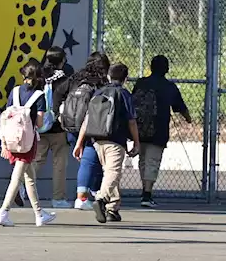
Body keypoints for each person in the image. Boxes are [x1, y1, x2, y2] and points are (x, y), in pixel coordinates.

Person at [0, 60, 57, 227]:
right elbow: (40, 123)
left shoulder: (14, 92)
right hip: (27, 142)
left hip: (11, 139)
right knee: (18, 176)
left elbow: (6, 117)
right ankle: (3, 211)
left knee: (30, 177)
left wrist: (4, 143)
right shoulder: (39, 95)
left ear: (23, 75)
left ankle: (39, 213)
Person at [74, 63, 140, 224]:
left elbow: (87, 119)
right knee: (113, 171)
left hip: (97, 139)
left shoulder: (99, 92)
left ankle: (113, 209)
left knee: (110, 171)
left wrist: (79, 142)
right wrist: (136, 142)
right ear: (125, 78)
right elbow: (131, 121)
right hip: (115, 139)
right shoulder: (123, 94)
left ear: (109, 76)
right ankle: (102, 199)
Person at [130, 55, 192, 208]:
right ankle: (147, 194)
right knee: (152, 161)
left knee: (143, 160)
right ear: (166, 69)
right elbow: (180, 108)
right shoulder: (169, 86)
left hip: (139, 129)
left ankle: (144, 189)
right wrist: (189, 119)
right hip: (158, 130)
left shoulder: (141, 83)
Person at [67, 52, 110, 209]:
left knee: (87, 161)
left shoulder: (76, 78)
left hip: (72, 126)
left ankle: (91, 192)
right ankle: (84, 197)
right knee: (89, 160)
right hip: (91, 126)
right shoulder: (100, 83)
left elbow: (60, 94)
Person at [33, 48, 74, 208]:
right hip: (59, 127)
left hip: (40, 126)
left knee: (36, 161)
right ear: (62, 61)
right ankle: (58, 198)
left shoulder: (39, 78)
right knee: (59, 164)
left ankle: (21, 187)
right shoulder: (65, 79)